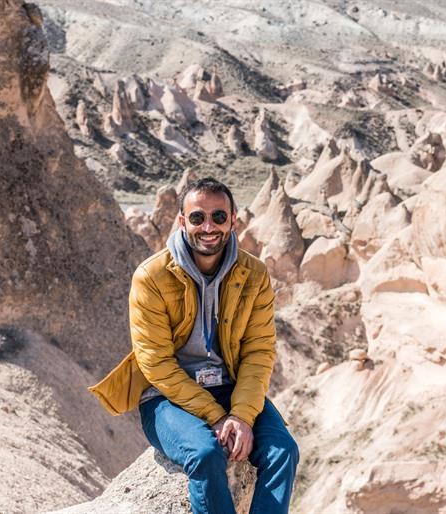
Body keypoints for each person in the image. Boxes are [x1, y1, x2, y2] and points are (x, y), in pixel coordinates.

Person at [90, 177, 299, 514]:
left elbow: (259, 351)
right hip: (166, 397)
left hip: (229, 386)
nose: (208, 227)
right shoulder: (152, 277)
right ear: (182, 221)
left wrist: (242, 417)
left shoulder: (254, 274)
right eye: (198, 217)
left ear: (233, 220)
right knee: (205, 454)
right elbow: (156, 364)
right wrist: (218, 417)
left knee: (283, 451)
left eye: (219, 217)